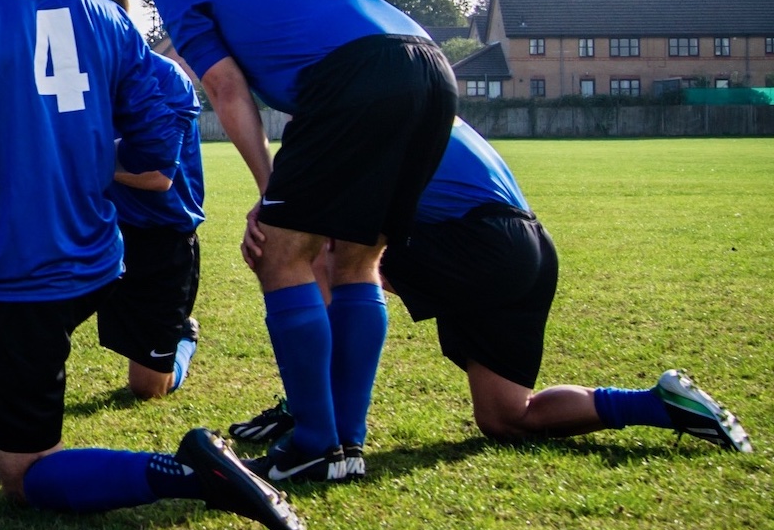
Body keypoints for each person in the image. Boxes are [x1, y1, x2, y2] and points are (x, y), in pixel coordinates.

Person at [0, 0, 301, 530]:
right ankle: (0, 423)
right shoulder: (108, 19)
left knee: (25, 476)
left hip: (16, 268)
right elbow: (162, 124)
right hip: (99, 255)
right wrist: (98, 156)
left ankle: (185, 472)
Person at [141, 0, 455, 484]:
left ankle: (314, 440)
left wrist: (270, 188)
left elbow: (224, 86)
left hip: (356, 74)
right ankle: (345, 445)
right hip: (431, 68)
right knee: (356, 260)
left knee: (280, 253)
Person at [230, 121, 753, 453]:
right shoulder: (408, 94)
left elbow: (330, 226)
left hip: (480, 242)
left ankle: (311, 418)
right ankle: (657, 405)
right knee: (507, 418)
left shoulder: (363, 110)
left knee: (321, 256)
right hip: (527, 248)